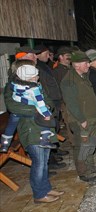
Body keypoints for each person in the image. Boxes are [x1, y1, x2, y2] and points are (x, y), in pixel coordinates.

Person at [4, 62, 64, 203]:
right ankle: (39, 194)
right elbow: (14, 107)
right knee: (39, 162)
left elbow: (46, 100)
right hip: (31, 129)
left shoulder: (36, 86)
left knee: (44, 161)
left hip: (44, 128)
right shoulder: (13, 88)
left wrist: (47, 107)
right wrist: (39, 110)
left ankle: (46, 188)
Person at [60, 51, 96, 183]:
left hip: (91, 117)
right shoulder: (69, 81)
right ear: (77, 65)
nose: (89, 65)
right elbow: (71, 103)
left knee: (91, 143)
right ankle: (83, 172)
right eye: (86, 63)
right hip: (81, 120)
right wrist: (81, 119)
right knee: (82, 146)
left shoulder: (82, 76)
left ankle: (91, 167)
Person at [1, 63, 58, 152]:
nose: (38, 78)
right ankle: (45, 140)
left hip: (18, 116)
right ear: (28, 78)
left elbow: (46, 99)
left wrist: (48, 105)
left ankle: (5, 144)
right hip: (30, 126)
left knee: (10, 126)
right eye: (35, 76)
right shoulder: (34, 89)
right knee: (46, 120)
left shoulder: (15, 85)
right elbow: (40, 102)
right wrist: (45, 112)